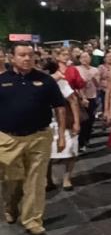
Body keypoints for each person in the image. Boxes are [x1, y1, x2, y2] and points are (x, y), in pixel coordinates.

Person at [0, 42, 67, 235]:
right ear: (12, 57)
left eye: (30, 55)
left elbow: (60, 108)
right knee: (11, 180)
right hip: (8, 139)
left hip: (39, 137)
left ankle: (32, 219)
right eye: (22, 55)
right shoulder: (2, 80)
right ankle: (10, 207)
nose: (27, 59)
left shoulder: (46, 81)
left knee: (36, 181)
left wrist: (61, 135)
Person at [43, 60, 80, 191]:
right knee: (46, 154)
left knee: (71, 150)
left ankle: (67, 178)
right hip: (46, 123)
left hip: (65, 121)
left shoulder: (61, 83)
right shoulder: (37, 83)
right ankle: (48, 180)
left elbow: (73, 100)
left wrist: (76, 121)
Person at [76, 51, 100, 153]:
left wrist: (93, 78)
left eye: (87, 57)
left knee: (90, 120)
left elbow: (98, 84)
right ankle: (80, 142)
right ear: (79, 59)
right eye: (83, 57)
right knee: (82, 120)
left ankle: (86, 138)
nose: (85, 59)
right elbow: (74, 84)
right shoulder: (76, 69)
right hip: (80, 97)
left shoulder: (95, 70)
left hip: (92, 97)